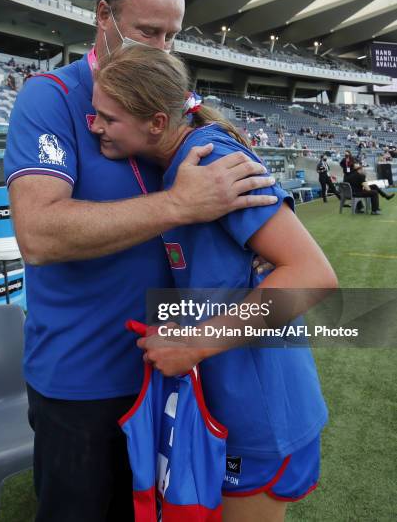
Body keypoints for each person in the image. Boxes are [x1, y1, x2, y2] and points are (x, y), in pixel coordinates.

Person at [4, 0, 278, 522]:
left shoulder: (170, 105)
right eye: (146, 31)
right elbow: (39, 233)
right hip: (81, 382)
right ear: (104, 18)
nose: (160, 50)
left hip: (173, 372)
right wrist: (178, 204)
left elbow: (258, 217)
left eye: (171, 37)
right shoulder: (49, 98)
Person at [92, 44, 337, 522]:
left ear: (157, 123)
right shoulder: (181, 167)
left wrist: (193, 344)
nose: (94, 126)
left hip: (261, 414)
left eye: (108, 118)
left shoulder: (210, 159)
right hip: (229, 406)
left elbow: (312, 275)